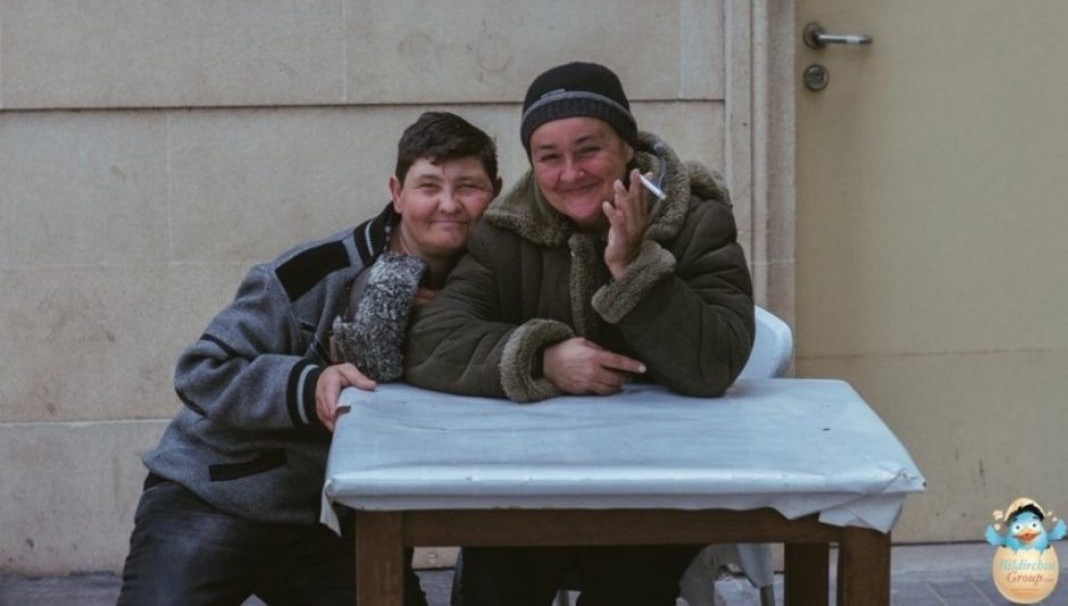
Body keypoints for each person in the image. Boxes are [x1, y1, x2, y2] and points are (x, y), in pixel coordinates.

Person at [404, 63, 755, 606]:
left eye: (588, 150)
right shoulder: (507, 229)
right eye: (549, 157)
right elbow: (431, 339)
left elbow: (717, 362)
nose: (570, 173)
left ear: (628, 148)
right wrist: (541, 358)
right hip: (535, 476)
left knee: (629, 582)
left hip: (663, 478)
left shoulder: (694, 219)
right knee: (496, 573)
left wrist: (635, 268)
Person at [116, 111, 501, 606]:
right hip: (214, 496)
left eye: (468, 186)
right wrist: (309, 384)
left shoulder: (493, 285)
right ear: (397, 192)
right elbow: (201, 371)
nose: (449, 204)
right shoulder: (313, 272)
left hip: (330, 524)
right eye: (429, 186)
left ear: (495, 194)